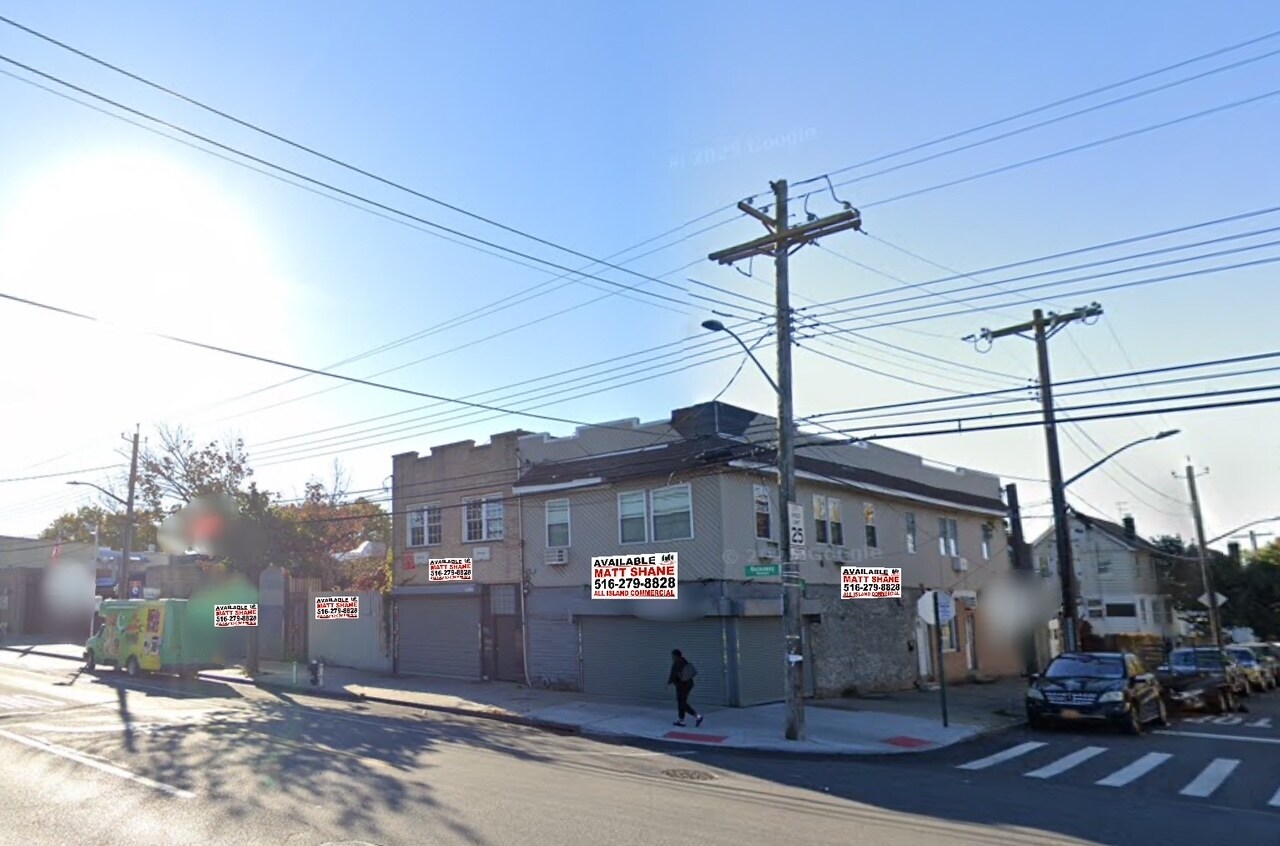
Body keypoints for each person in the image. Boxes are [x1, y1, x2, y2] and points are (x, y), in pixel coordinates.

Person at [667, 648, 702, 727]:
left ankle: (697, 716)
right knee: (681, 702)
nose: (671, 657)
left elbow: (673, 675)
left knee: (681, 703)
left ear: (676, 656)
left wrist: (668, 683)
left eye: (672, 656)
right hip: (688, 684)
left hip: (682, 685)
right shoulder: (684, 661)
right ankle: (681, 720)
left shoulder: (676, 663)